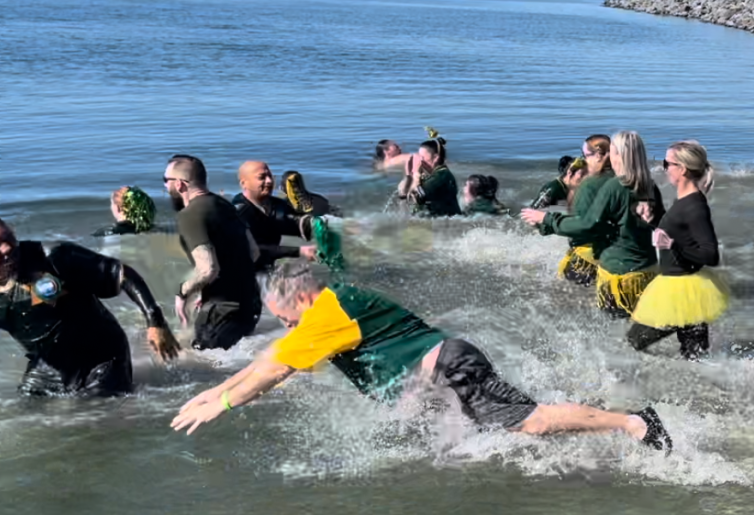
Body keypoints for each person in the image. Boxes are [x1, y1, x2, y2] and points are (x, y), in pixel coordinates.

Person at [170, 260, 672, 453]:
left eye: (284, 316)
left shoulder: (328, 313)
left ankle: (635, 424)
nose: (284, 326)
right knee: (482, 438)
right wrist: (216, 391)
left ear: (300, 297)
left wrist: (229, 405)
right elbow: (273, 364)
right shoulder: (329, 309)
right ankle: (600, 423)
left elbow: (277, 365)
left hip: (452, 370)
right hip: (442, 376)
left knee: (531, 422)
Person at [0, 218, 179, 397]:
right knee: (27, 412)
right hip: (48, 368)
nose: (7, 248)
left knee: (97, 417)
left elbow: (122, 276)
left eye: (8, 238)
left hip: (101, 357)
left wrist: (156, 321)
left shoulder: (54, 257)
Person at [522, 131, 664, 317]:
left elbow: (588, 224)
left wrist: (546, 220)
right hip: (648, 269)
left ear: (618, 156)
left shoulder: (614, 187)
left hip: (619, 275)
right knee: (635, 322)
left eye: (611, 152)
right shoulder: (649, 185)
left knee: (613, 330)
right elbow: (662, 222)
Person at [628, 142, 729, 359]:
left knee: (634, 341)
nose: (664, 168)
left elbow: (710, 255)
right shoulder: (684, 201)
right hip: (685, 290)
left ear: (682, 169)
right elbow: (677, 231)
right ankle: (703, 388)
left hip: (682, 291)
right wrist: (652, 216)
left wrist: (672, 245)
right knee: (694, 355)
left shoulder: (694, 206)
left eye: (667, 163)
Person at [164, 154, 261, 351]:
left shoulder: (190, 214)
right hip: (250, 307)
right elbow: (254, 252)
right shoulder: (224, 204)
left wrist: (182, 293)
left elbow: (208, 269)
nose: (165, 185)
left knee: (202, 370)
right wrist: (213, 289)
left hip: (222, 316)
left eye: (166, 180)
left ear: (181, 184)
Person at [532, 136, 615, 286]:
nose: (585, 177)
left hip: (590, 250)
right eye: (581, 174)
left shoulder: (590, 187)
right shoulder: (553, 188)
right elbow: (534, 213)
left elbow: (587, 222)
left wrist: (552, 221)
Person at [233, 161, 318, 271]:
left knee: (320, 285)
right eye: (261, 177)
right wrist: (300, 251)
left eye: (270, 176)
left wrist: (323, 226)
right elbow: (251, 249)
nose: (269, 181)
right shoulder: (238, 213)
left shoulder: (277, 205)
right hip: (242, 275)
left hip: (268, 269)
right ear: (244, 183)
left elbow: (295, 224)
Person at [398, 132, 461, 217]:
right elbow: (405, 195)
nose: (420, 161)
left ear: (435, 158)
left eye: (422, 158)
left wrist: (416, 175)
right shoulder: (430, 174)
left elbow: (418, 197)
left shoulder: (442, 176)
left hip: (446, 223)